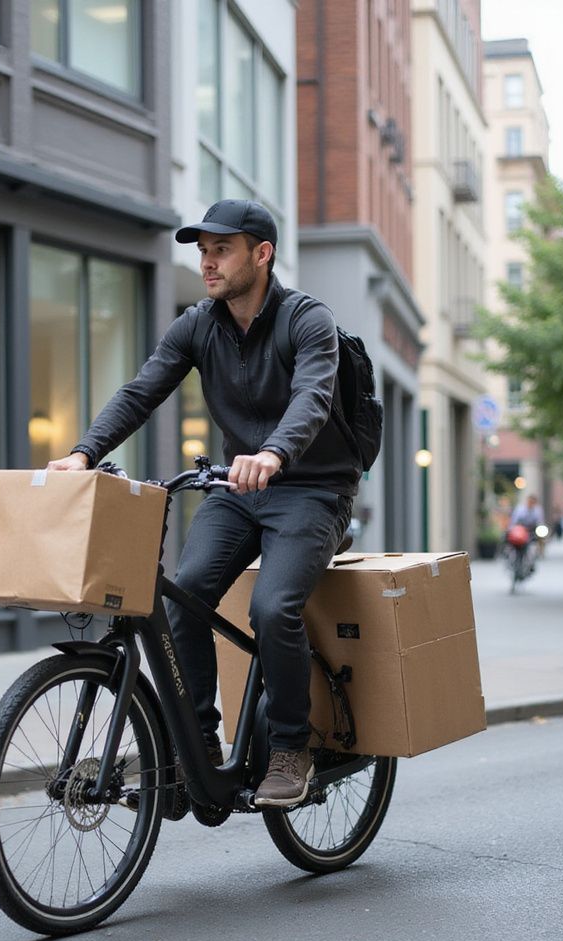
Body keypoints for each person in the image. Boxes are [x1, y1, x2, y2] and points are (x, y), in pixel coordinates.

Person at [47, 199, 360, 807]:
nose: (208, 262)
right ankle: (198, 747)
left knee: (272, 608)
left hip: (312, 490)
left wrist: (274, 453)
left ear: (262, 254)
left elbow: (313, 396)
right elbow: (140, 392)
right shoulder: (198, 324)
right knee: (184, 596)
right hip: (235, 490)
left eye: (222, 249)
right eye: (203, 251)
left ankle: (291, 748)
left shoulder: (307, 319)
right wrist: (83, 454)